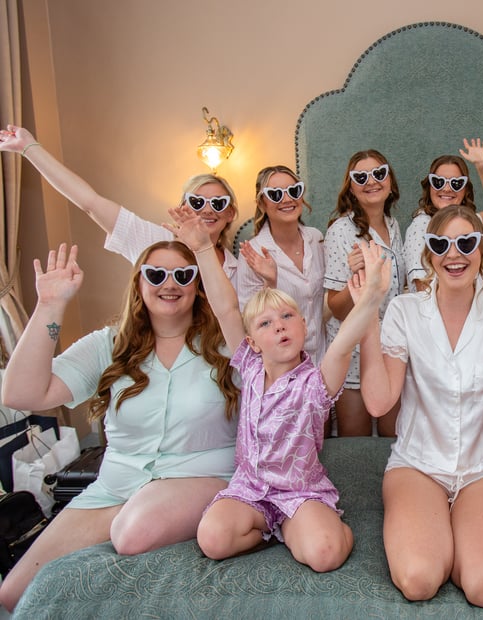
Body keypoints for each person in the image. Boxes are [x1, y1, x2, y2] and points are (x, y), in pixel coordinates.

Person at [0, 241, 239, 611]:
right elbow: (20, 393)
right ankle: (125, 517)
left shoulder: (227, 344)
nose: (169, 283)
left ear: (198, 284)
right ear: (139, 283)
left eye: (183, 275)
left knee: (135, 532)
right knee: (12, 594)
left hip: (201, 476)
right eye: (156, 274)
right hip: (116, 488)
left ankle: (131, 521)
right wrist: (50, 305)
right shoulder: (107, 345)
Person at [168, 207, 390, 571]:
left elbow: (342, 345)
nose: (280, 326)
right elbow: (226, 309)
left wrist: (369, 299)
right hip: (250, 489)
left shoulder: (315, 382)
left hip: (299, 492)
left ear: (304, 326)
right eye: (266, 324)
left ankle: (299, 525)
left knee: (325, 554)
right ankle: (270, 528)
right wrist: (203, 250)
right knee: (212, 539)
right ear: (252, 343)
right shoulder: (249, 366)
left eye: (287, 317)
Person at [358, 205, 483, 608]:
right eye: (441, 244)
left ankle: (457, 542)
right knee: (418, 580)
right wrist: (368, 310)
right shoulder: (404, 310)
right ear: (429, 253)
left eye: (466, 243)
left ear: (481, 249)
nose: (454, 254)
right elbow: (378, 403)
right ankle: (439, 543)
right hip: (417, 464)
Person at [0, 125, 241, 284]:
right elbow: (90, 202)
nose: (207, 209)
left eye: (218, 203)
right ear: (183, 207)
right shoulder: (154, 241)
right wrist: (30, 149)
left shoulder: (237, 268)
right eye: (197, 202)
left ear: (230, 213)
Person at [324, 149, 406, 437]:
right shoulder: (340, 231)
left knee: (392, 440)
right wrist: (356, 280)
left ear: (390, 182)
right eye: (361, 177)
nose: (371, 181)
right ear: (351, 187)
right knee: (355, 446)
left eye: (378, 174)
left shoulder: (394, 226)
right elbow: (336, 308)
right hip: (354, 355)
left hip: (390, 350)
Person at [236, 165, 325, 364]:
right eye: (275, 194)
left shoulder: (316, 239)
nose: (286, 199)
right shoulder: (253, 253)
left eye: (294, 191)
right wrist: (270, 283)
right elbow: (251, 322)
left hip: (323, 358)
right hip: (283, 365)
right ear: (262, 204)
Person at [403, 139, 483, 292]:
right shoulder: (421, 226)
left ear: (465, 190)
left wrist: (482, 166)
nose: (446, 189)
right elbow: (424, 288)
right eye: (438, 182)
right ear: (429, 186)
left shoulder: (465, 223)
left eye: (456, 183)